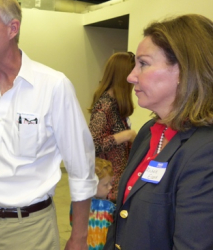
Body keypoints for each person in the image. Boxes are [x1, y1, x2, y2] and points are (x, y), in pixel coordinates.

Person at [0, 0, 98, 249]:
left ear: (13, 28)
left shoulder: (54, 86)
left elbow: (81, 167)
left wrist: (79, 236)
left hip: (28, 230)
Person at [105, 14, 213, 250]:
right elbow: (124, 219)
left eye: (143, 64)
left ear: (184, 71)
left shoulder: (206, 150)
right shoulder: (149, 132)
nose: (130, 76)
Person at [88, 52, 136, 203]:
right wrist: (125, 135)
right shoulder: (105, 105)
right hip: (108, 190)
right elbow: (93, 144)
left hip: (117, 184)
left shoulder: (115, 104)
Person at [70, 157, 115, 250]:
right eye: (106, 185)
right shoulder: (109, 207)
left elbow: (72, 223)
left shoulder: (75, 205)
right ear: (92, 186)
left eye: (110, 183)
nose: (110, 187)